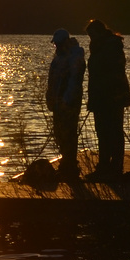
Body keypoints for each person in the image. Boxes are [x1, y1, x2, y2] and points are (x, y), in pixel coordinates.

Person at [84, 19, 130, 181]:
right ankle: (104, 166)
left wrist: (106, 94)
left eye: (92, 35)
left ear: (99, 32)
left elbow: (112, 73)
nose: (90, 38)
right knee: (102, 132)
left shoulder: (112, 46)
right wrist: (93, 98)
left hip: (113, 97)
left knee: (114, 131)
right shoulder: (98, 48)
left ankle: (116, 167)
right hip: (99, 97)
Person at [45, 28, 85, 177]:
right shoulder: (58, 58)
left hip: (69, 104)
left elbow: (75, 82)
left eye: (59, 44)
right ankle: (65, 162)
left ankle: (70, 166)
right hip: (57, 104)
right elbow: (52, 81)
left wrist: (66, 100)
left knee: (69, 134)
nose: (57, 47)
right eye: (55, 44)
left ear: (65, 42)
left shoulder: (75, 56)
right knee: (59, 134)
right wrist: (50, 98)